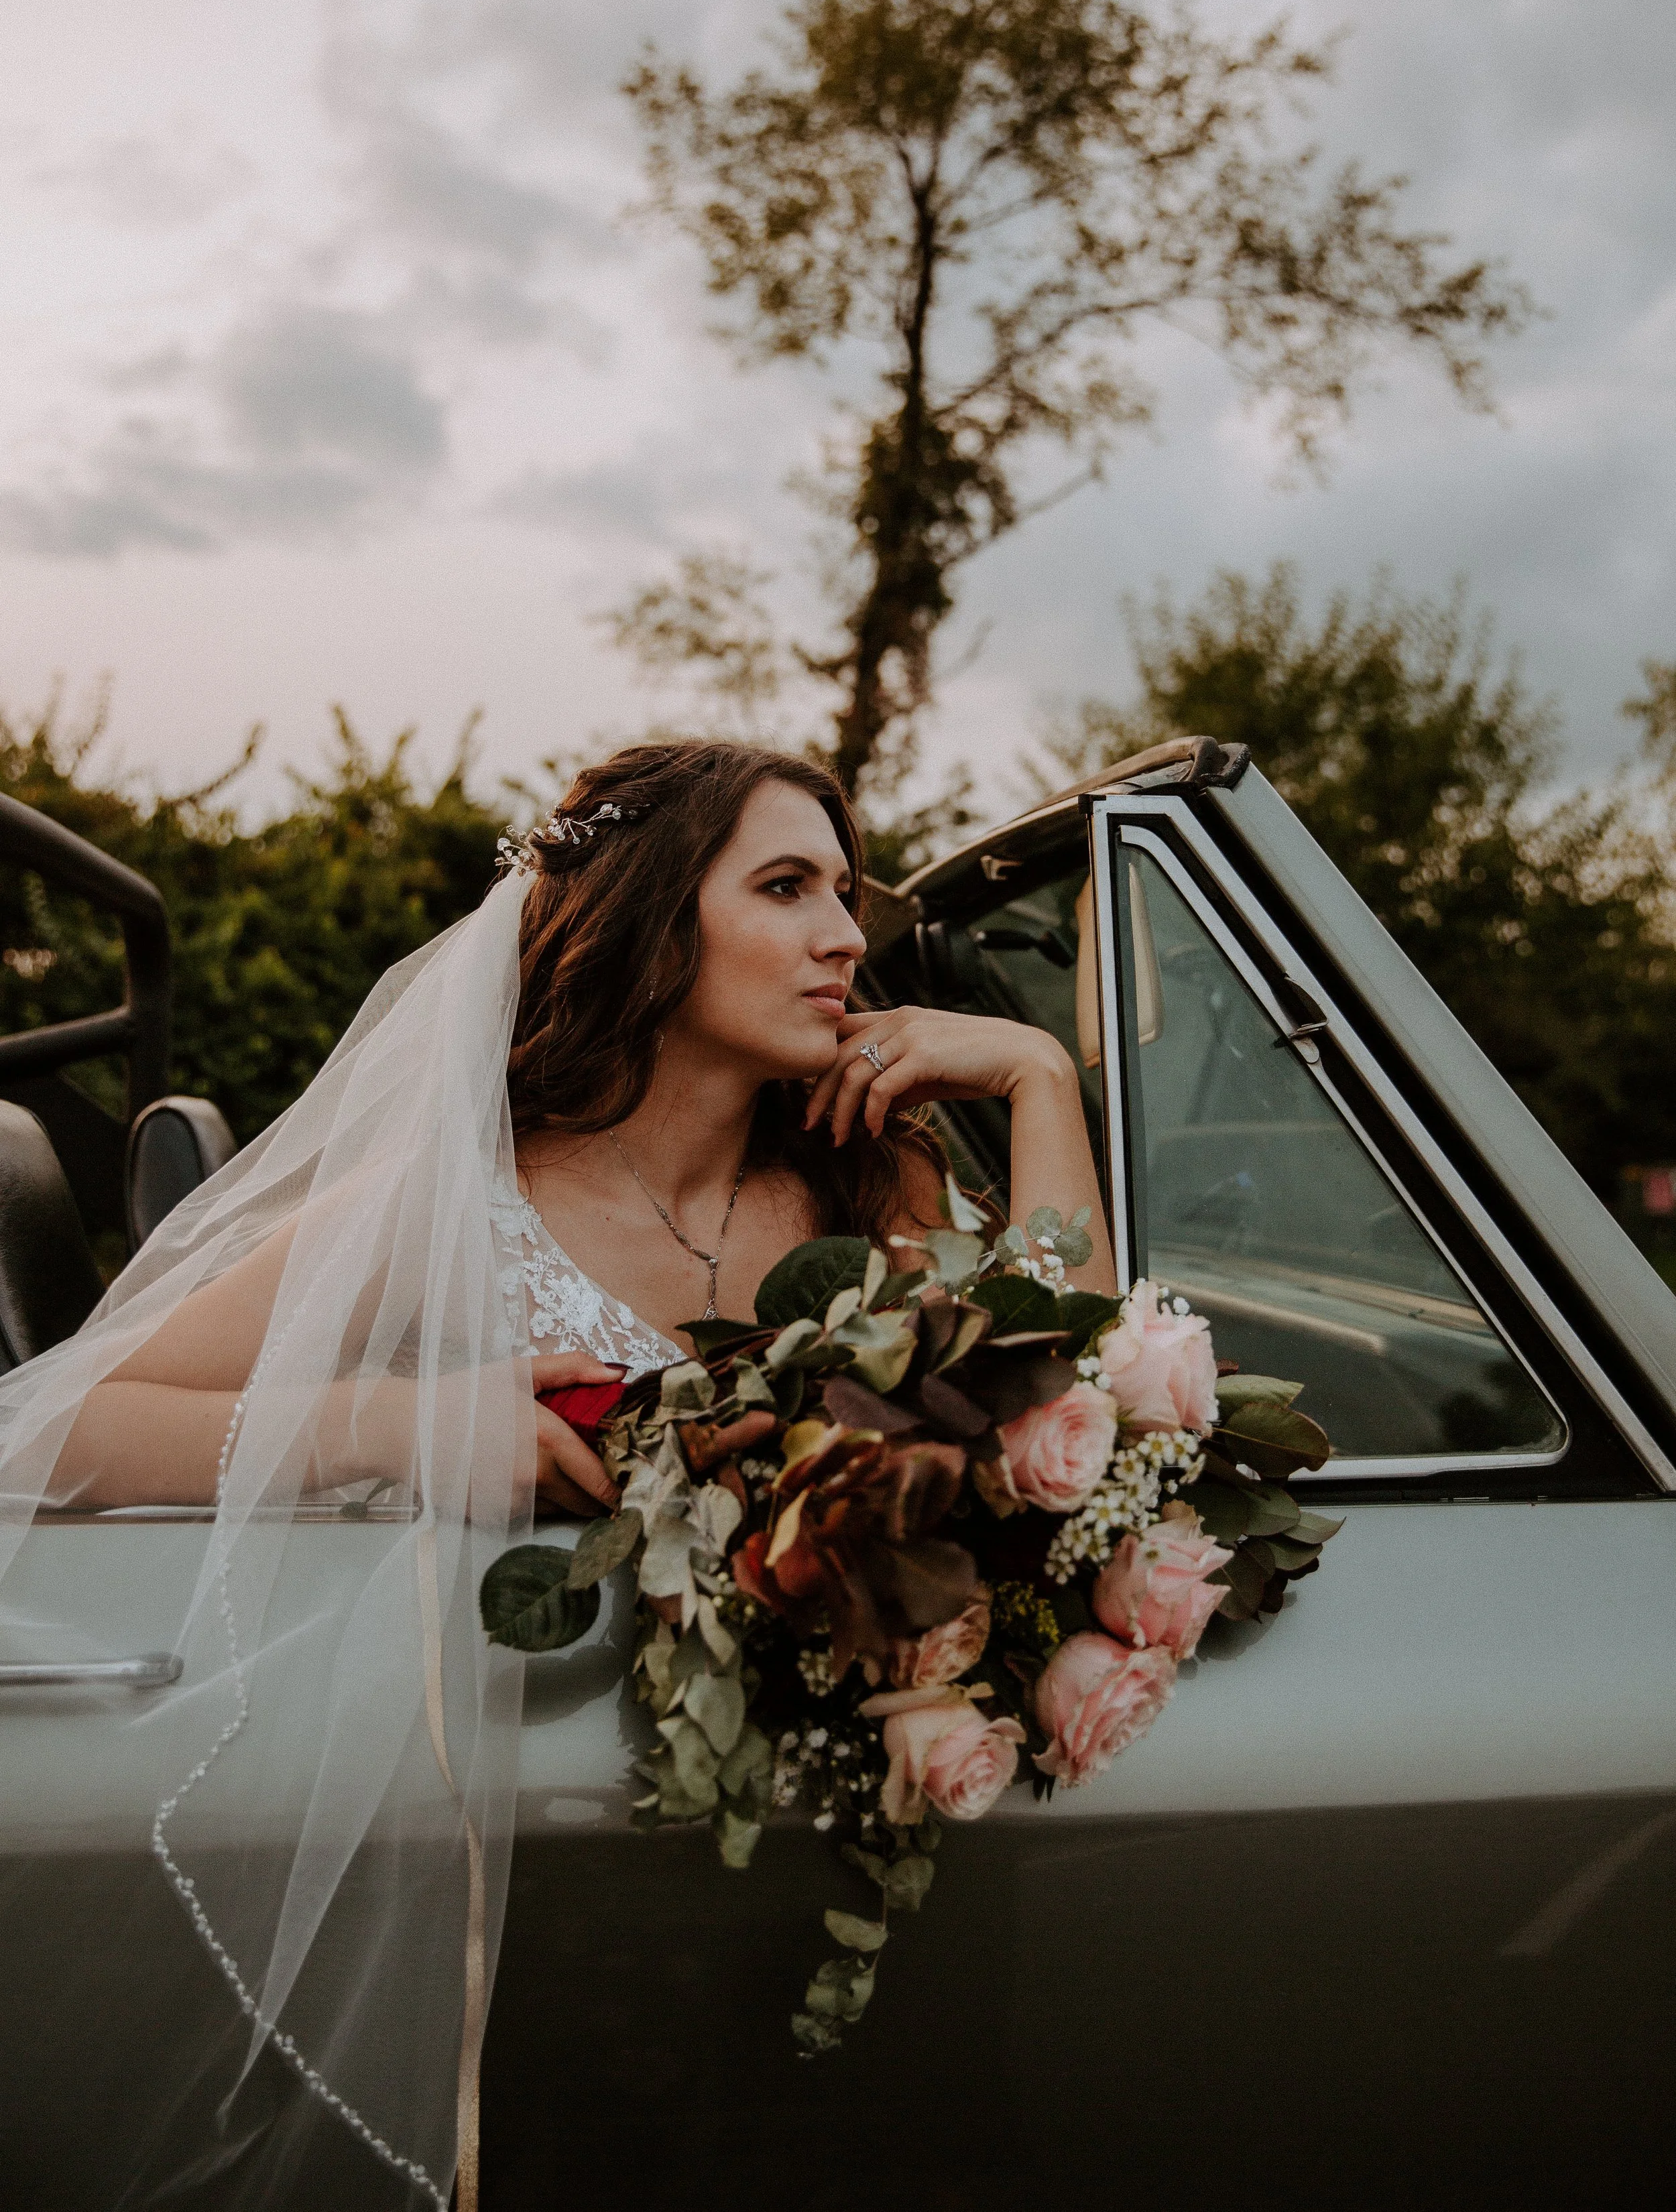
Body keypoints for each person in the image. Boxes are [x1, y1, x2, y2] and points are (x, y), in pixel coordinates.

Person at [0, 738, 1113, 2210]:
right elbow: (59, 1427)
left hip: (878, 1849)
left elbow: (1073, 1401)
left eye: (843, 893)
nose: (846, 937)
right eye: (785, 887)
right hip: (569, 1851)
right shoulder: (444, 1205)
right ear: (654, 921)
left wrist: (1034, 1073)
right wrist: (404, 1427)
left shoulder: (874, 1177)